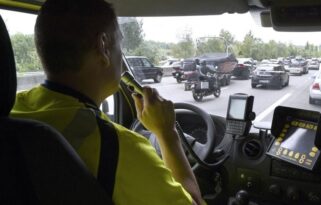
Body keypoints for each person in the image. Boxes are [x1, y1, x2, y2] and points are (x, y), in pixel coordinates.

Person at [10, 0, 204, 204]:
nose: (122, 55)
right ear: (103, 47)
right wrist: (167, 134)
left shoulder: (12, 110)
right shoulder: (119, 148)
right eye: (120, 44)